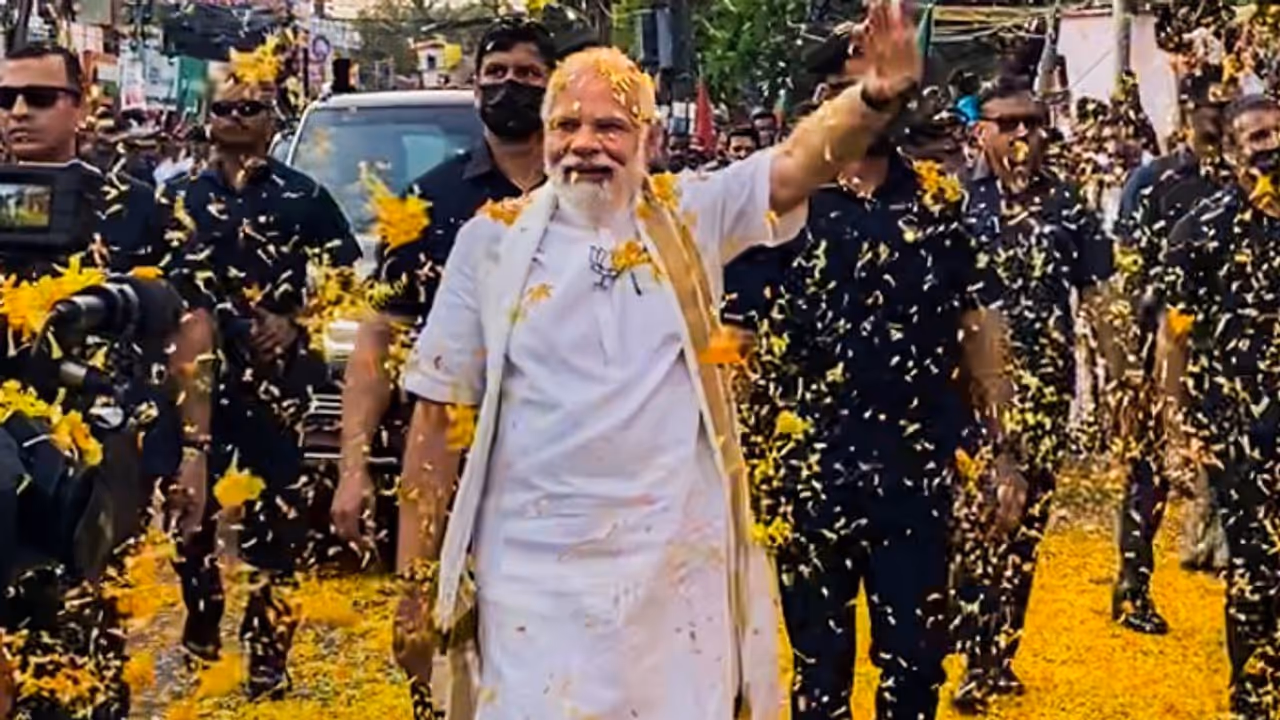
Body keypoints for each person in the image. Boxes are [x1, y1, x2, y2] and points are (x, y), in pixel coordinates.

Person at [392, 3, 924, 718]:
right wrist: (415, 584)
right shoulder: (490, 243)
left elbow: (795, 166)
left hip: (674, 580)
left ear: (646, 137)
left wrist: (874, 98)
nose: (586, 144)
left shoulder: (690, 215)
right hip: (532, 582)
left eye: (608, 125)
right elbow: (437, 415)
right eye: (567, 126)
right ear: (545, 138)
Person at [727, 22, 1014, 720]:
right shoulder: (775, 208)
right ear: (822, 106)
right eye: (845, 91)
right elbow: (734, 344)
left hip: (914, 480)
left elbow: (981, 335)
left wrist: (1005, 451)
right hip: (805, 482)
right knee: (819, 682)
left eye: (878, 90)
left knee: (914, 670)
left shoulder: (939, 206)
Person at [0, 44, 213, 720]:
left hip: (100, 459)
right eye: (4, 100)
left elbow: (190, 329)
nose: (17, 114)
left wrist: (195, 450)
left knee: (86, 648)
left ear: (80, 103)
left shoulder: (134, 204)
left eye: (38, 97)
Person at [162, 71, 360, 699]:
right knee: (189, 520)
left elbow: (348, 283)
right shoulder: (178, 201)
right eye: (226, 109)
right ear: (207, 120)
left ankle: (269, 653)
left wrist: (296, 322)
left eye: (253, 109)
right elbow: (151, 288)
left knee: (283, 528)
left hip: (278, 389)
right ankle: (202, 613)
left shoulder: (306, 198)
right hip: (196, 391)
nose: (238, 119)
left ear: (275, 122)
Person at [332, 17, 554, 575]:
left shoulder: (593, 192)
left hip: (568, 470)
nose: (511, 86)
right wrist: (353, 468)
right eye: (497, 73)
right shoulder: (426, 203)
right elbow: (379, 338)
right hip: (449, 462)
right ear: (476, 88)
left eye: (529, 74)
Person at [951, 74, 1119, 714]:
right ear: (981, 132)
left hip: (1047, 392)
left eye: (1035, 123)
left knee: (1026, 532)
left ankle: (999, 655)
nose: (1024, 135)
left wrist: (1121, 383)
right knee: (978, 525)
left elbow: (1100, 298)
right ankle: (969, 656)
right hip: (970, 399)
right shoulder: (956, 203)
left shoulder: (1069, 205)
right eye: (1010, 123)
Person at [1162, 93, 1280, 720]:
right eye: (1258, 138)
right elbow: (1173, 338)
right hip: (1242, 427)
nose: (1272, 147)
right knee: (1259, 567)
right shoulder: (1203, 228)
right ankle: (1253, 697)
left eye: (1278, 134)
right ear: (1233, 149)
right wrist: (1175, 427)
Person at [1109, 66, 1230, 636]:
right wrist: (1138, 360)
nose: (1220, 122)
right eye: (1212, 112)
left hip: (1230, 354)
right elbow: (1127, 270)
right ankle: (1133, 587)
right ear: (1188, 114)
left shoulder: (1249, 183)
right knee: (1150, 474)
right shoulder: (1153, 182)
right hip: (1158, 348)